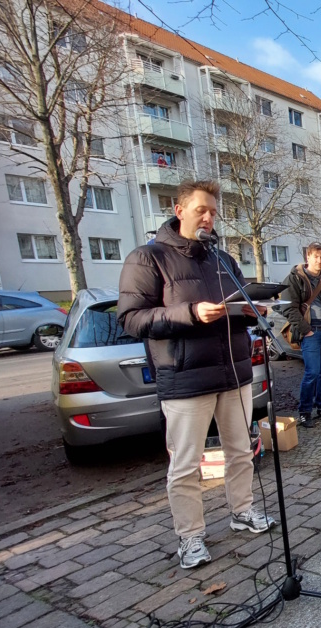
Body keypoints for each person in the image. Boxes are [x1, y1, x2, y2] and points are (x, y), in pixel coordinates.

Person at [117, 179, 274, 569]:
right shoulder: (147, 258)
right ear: (179, 210)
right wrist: (190, 313)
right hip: (184, 378)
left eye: (213, 211)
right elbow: (131, 319)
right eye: (201, 209)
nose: (209, 217)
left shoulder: (223, 259)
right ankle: (190, 537)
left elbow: (238, 304)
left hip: (233, 373)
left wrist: (253, 311)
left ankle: (242, 511)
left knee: (241, 451)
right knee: (186, 464)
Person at [283, 242, 321, 428]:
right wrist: (306, 330)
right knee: (312, 373)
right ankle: (304, 412)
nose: (319, 260)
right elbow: (288, 308)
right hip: (312, 332)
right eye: (316, 257)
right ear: (308, 257)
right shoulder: (295, 278)